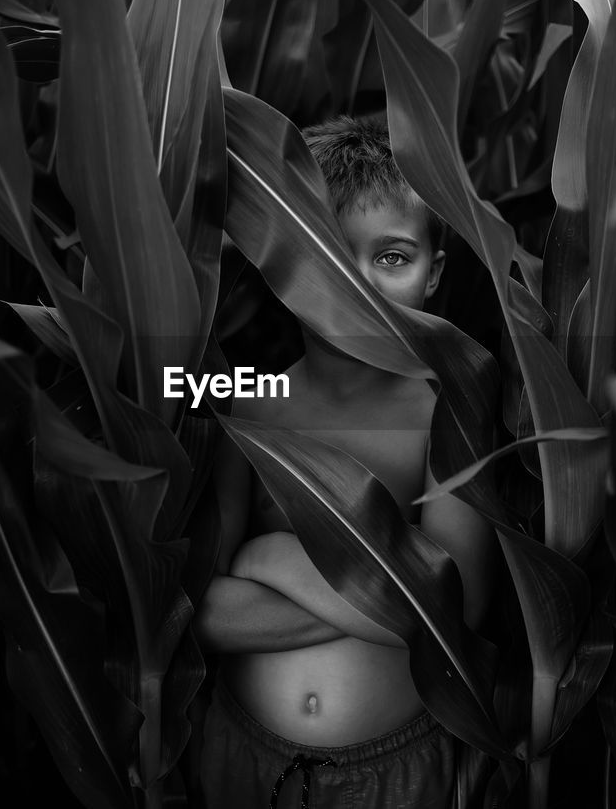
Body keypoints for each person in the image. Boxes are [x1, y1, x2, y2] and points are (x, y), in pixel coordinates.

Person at [193, 115, 496, 808]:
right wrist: (390, 581)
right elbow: (201, 611)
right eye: (330, 255)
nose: (357, 284)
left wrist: (265, 560)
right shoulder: (250, 406)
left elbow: (453, 617)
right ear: (284, 265)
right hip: (245, 761)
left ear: (434, 274)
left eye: (392, 256)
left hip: (394, 773)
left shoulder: (448, 415)